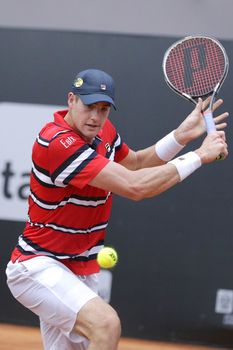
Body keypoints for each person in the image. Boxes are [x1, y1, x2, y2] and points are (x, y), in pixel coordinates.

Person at [6, 68, 228, 350]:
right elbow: (136, 186)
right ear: (71, 100)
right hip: (37, 266)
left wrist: (181, 136)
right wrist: (198, 155)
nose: (96, 117)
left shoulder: (103, 133)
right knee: (106, 325)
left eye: (104, 109)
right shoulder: (57, 142)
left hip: (80, 270)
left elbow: (135, 163)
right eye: (89, 106)